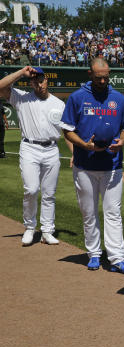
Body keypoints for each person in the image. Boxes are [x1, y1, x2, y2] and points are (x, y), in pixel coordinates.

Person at [61, 58, 124, 274]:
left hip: (112, 165)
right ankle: (93, 253)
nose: (102, 80)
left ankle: (117, 258)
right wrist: (83, 145)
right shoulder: (77, 98)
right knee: (89, 211)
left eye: (106, 76)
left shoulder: (119, 99)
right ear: (89, 74)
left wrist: (123, 141)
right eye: (98, 76)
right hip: (85, 165)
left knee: (113, 212)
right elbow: (67, 129)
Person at [0, 66, 65, 245]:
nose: (39, 83)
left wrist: (75, 154)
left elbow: (67, 131)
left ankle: (47, 231)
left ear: (47, 81)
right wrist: (21, 72)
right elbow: (1, 87)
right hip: (30, 148)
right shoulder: (22, 98)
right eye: (35, 80)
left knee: (49, 193)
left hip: (52, 149)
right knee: (31, 189)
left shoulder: (59, 104)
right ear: (31, 82)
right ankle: (29, 227)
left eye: (41, 79)